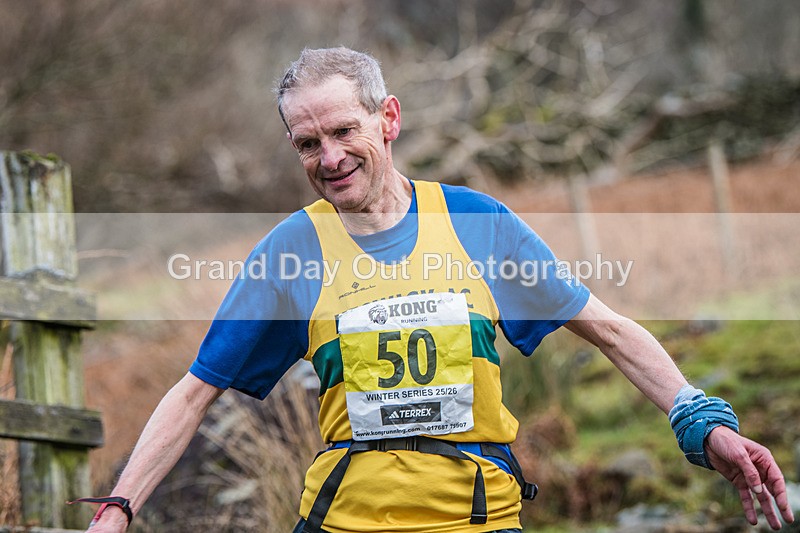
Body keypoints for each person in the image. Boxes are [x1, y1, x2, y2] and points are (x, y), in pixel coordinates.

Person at [81, 47, 795, 533]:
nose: (328, 158)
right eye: (306, 143)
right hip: (347, 519)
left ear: (388, 120)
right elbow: (193, 391)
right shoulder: (293, 250)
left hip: (480, 517)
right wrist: (117, 507)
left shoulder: (478, 225)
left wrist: (703, 422)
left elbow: (608, 329)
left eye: (343, 130)